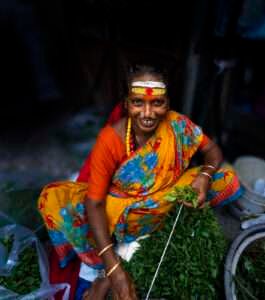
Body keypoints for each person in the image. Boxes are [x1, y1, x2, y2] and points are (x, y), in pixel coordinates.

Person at [38, 64, 242, 300]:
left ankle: (128, 250)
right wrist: (115, 272)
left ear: (167, 103)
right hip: (120, 210)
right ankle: (111, 262)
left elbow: (213, 151)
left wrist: (204, 177)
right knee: (57, 200)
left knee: (225, 177)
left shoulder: (178, 125)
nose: (148, 113)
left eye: (157, 103)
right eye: (138, 102)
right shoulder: (111, 140)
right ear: (126, 103)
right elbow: (94, 204)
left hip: (167, 197)